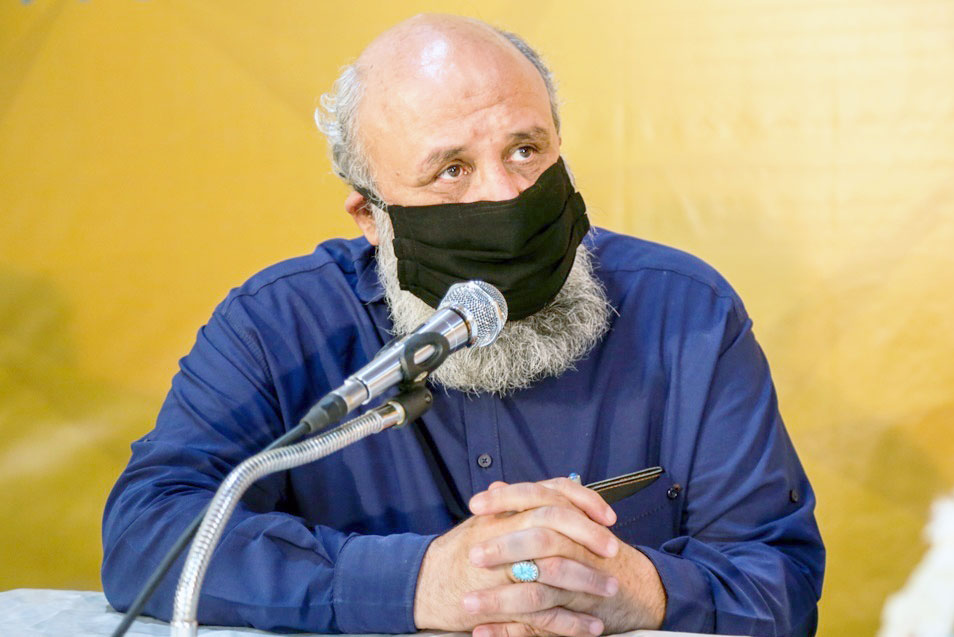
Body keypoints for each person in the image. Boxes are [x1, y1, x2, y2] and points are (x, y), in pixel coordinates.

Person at [102, 14, 824, 637]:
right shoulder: (280, 325)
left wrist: (632, 585)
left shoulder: (685, 310)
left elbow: (779, 578)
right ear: (371, 217)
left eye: (525, 150)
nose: (505, 196)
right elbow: (147, 534)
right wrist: (420, 580)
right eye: (451, 169)